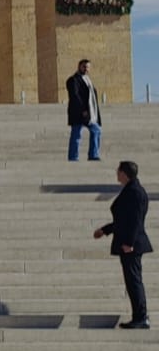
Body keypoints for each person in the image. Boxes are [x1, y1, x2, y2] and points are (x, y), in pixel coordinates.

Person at [94, 161, 151, 329]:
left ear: (124, 173)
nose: (116, 173)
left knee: (134, 281)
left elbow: (135, 220)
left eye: (118, 171)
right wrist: (105, 230)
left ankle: (141, 317)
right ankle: (139, 316)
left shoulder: (134, 192)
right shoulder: (132, 190)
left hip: (131, 245)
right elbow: (123, 220)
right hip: (128, 242)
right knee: (132, 280)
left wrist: (129, 243)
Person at [67, 59, 103, 161]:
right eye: (84, 67)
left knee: (96, 130)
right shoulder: (73, 80)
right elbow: (75, 96)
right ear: (79, 67)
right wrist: (82, 109)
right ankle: (73, 157)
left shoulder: (89, 80)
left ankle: (93, 155)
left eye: (88, 67)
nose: (86, 69)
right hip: (79, 113)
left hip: (91, 113)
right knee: (76, 135)